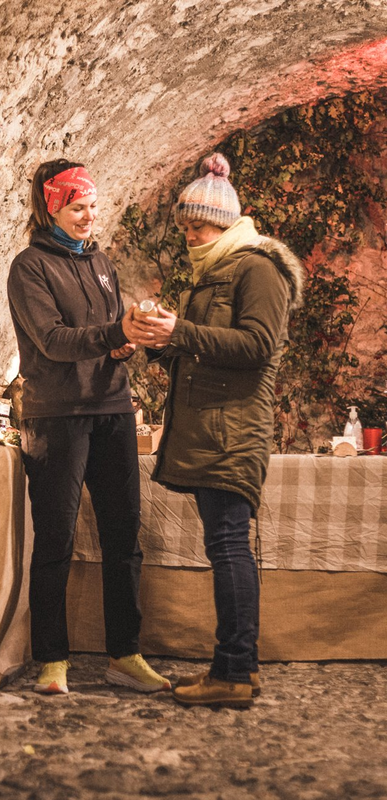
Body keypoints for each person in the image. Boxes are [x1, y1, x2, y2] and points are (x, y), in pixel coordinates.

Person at [124, 153, 304, 708]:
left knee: (229, 548)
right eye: (184, 227)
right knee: (225, 547)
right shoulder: (218, 272)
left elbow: (256, 348)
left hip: (233, 433)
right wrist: (163, 343)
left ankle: (230, 672)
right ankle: (239, 670)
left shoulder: (258, 269)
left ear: (225, 223)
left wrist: (183, 330)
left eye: (197, 226)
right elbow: (206, 352)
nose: (189, 236)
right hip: (212, 430)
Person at [6, 158, 170, 695]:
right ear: (52, 207)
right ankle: (54, 662)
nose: (89, 217)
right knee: (55, 540)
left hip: (113, 409)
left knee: (124, 537)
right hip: (57, 417)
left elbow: (102, 336)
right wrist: (110, 332)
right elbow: (53, 342)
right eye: (78, 207)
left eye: (94, 207)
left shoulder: (100, 263)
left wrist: (125, 341)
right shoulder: (29, 267)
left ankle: (126, 654)